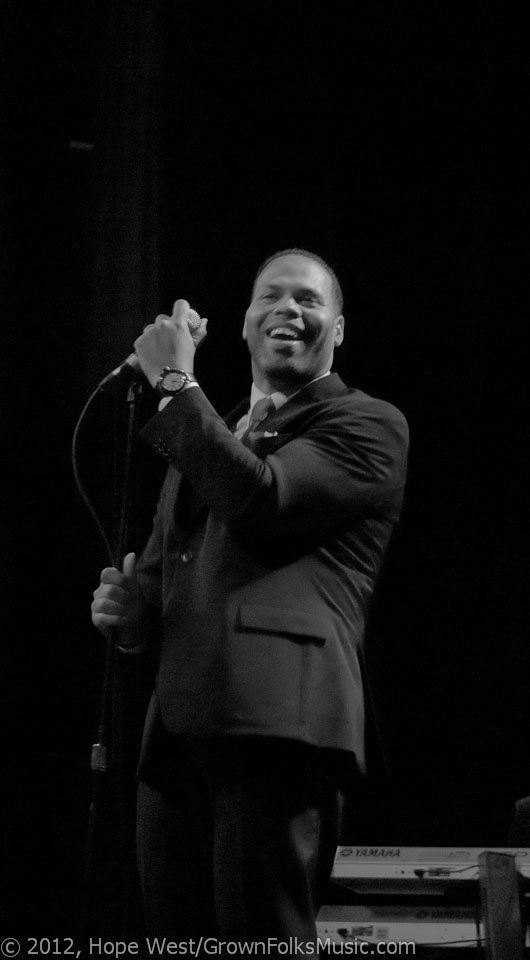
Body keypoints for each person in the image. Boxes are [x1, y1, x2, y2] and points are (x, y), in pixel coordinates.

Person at [91, 249, 409, 948]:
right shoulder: (217, 425)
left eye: (309, 299)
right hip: (176, 733)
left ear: (339, 329)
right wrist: (134, 614)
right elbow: (168, 568)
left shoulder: (366, 423)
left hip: (277, 721)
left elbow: (260, 500)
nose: (287, 308)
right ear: (243, 323)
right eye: (271, 296)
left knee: (260, 940)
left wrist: (176, 382)